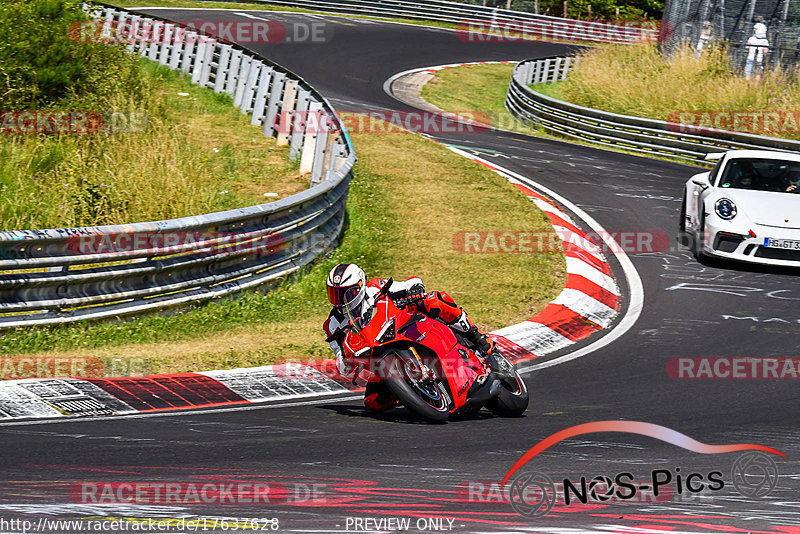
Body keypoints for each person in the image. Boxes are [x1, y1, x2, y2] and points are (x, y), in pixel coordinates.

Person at [323, 263, 495, 411]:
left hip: (406, 326)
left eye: (345, 293)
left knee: (435, 299)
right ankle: (411, 394)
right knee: (373, 402)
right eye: (334, 294)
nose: (339, 300)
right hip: (380, 358)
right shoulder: (332, 325)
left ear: (360, 285)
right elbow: (340, 360)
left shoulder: (375, 288)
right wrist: (347, 362)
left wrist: (415, 290)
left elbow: (412, 283)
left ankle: (476, 336)